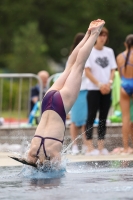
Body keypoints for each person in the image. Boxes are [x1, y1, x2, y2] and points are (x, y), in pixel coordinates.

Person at [10, 19, 105, 167]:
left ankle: (94, 34)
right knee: (70, 66)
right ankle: (87, 34)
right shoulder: (32, 152)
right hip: (47, 101)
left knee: (77, 66)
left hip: (60, 104)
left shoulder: (54, 154)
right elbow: (28, 163)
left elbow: (58, 173)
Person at [85, 27, 117, 156]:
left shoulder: (109, 51)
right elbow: (87, 71)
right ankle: (89, 146)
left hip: (107, 88)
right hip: (93, 89)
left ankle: (101, 146)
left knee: (103, 117)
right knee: (91, 117)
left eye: (105, 35)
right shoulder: (90, 52)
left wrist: (108, 84)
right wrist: (99, 85)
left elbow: (112, 70)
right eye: (100, 35)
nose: (102, 38)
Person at [68, 33, 88, 155]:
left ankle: (86, 144)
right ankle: (74, 145)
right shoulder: (73, 56)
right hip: (75, 90)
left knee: (86, 120)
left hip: (86, 89)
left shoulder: (90, 55)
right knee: (74, 120)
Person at [116, 34, 133, 155]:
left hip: (124, 85)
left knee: (125, 118)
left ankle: (126, 148)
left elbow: (120, 75)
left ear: (125, 44)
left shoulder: (119, 57)